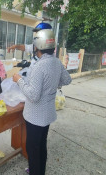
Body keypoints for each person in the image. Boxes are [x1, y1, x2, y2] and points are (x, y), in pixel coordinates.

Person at [12, 29, 72, 175]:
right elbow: (67, 79)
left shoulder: (39, 66)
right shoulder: (56, 62)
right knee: (41, 146)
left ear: (37, 46)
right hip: (47, 116)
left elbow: (33, 95)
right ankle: (39, 171)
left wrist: (18, 80)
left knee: (33, 149)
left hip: (35, 117)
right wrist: (52, 84)